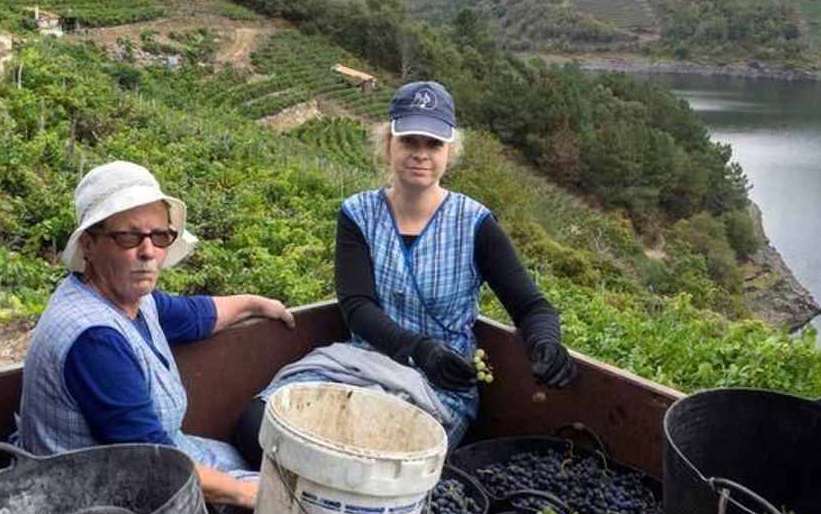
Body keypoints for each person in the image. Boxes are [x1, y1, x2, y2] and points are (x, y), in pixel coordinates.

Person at [238, 80, 577, 462]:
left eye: (433, 144)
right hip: (362, 360)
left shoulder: (474, 223)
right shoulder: (359, 214)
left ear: (450, 151)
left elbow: (531, 306)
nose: (421, 154)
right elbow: (358, 306)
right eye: (409, 141)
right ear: (388, 144)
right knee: (258, 427)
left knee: (370, 464)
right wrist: (418, 349)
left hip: (439, 383)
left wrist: (545, 342)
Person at [16, 161, 293, 508]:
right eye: (129, 236)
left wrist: (254, 304)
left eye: (160, 236)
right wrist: (249, 494)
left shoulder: (133, 299)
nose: (148, 251)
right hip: (100, 506)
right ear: (89, 245)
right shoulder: (95, 340)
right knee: (283, 498)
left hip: (154, 464)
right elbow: (155, 461)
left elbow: (196, 315)